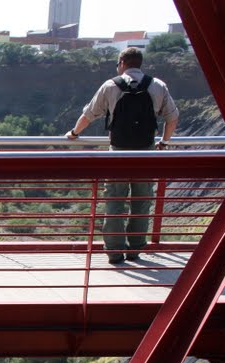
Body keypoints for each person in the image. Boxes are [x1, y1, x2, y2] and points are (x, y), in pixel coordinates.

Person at [65, 47, 179, 264]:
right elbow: (172, 118)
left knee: (115, 202)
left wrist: (74, 134)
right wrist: (163, 142)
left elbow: (89, 114)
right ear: (140, 63)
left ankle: (115, 252)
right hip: (146, 153)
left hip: (118, 153)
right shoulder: (157, 86)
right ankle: (135, 249)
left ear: (122, 63)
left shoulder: (111, 85)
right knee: (142, 201)